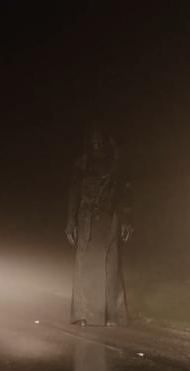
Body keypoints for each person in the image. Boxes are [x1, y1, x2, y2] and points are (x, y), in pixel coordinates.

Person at [66, 127, 132, 326]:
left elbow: (124, 193)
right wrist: (71, 220)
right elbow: (74, 192)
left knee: (111, 264)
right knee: (84, 263)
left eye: (100, 138)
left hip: (110, 216)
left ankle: (113, 314)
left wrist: (127, 219)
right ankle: (83, 313)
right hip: (86, 216)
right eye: (93, 139)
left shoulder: (116, 163)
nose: (96, 143)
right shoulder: (81, 164)